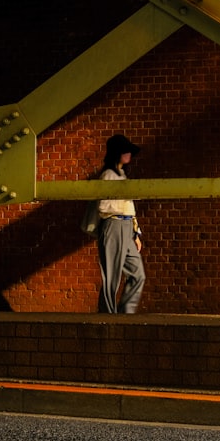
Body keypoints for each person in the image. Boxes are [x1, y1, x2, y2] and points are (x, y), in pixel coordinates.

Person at [96, 134, 145, 314]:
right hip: (113, 224)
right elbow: (104, 207)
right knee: (111, 276)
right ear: (117, 153)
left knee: (137, 273)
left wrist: (135, 232)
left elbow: (129, 207)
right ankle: (107, 314)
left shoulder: (122, 175)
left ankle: (125, 313)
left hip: (125, 226)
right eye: (126, 151)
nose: (129, 155)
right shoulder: (108, 175)